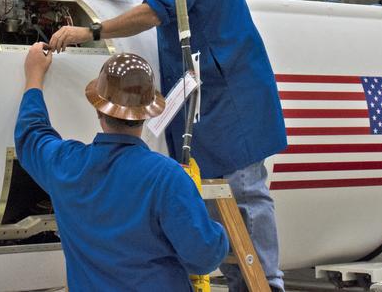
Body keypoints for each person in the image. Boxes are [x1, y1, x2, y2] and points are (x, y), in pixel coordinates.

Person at [35, 0, 288, 291]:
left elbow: (153, 11)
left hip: (233, 99)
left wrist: (89, 32)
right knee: (218, 198)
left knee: (244, 194)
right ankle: (241, 282)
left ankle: (268, 283)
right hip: (206, 99)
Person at [15, 45, 228, 290]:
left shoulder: (66, 165)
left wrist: (34, 77)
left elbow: (30, 136)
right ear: (146, 113)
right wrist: (216, 232)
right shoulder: (167, 177)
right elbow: (205, 256)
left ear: (99, 109)